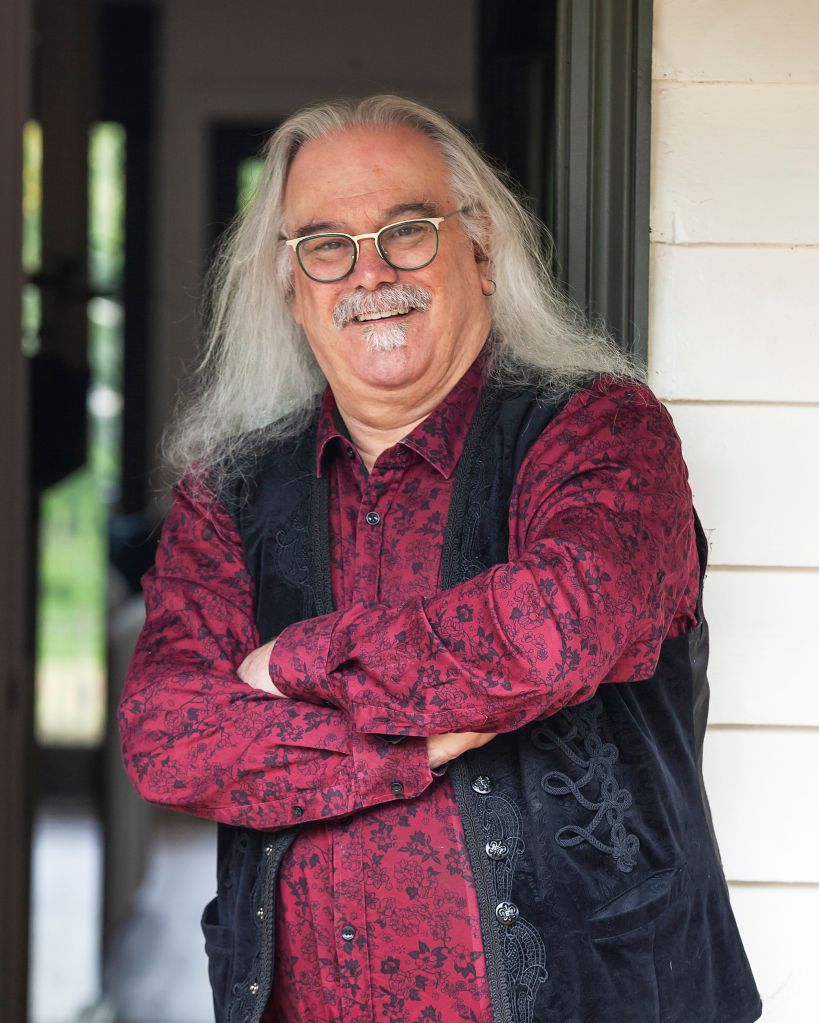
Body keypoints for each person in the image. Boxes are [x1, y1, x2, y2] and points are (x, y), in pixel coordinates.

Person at [120, 95, 761, 1023]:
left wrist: (294, 662)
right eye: (326, 246)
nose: (369, 272)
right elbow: (168, 735)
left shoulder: (602, 430)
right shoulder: (227, 490)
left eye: (407, 231)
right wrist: (404, 744)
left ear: (481, 249)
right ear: (291, 288)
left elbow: (556, 625)